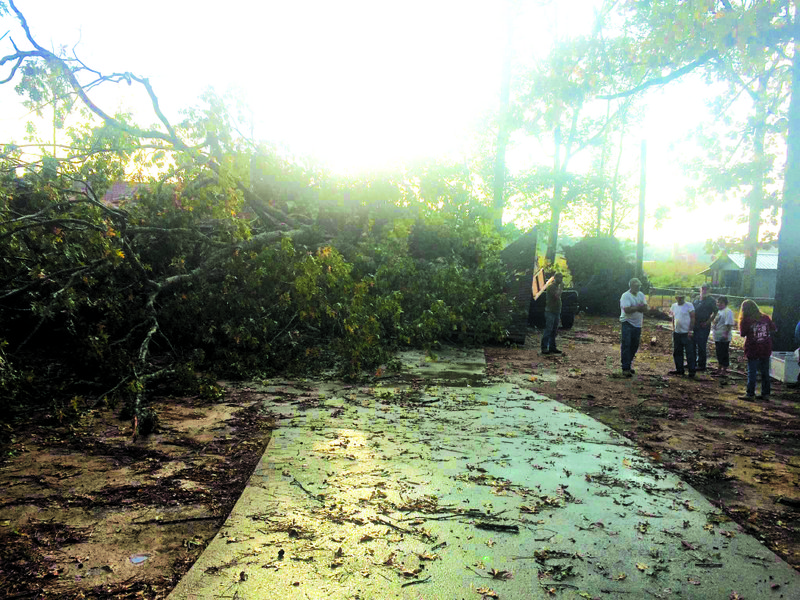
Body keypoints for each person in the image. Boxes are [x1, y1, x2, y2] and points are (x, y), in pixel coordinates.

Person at [738, 299, 776, 400]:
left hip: (753, 348)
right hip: (766, 347)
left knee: (752, 371)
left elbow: (742, 334)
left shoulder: (746, 320)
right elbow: (774, 328)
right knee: (765, 371)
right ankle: (766, 393)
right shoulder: (765, 317)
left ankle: (750, 394)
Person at [619, 277, 647, 377]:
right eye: (636, 286)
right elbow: (627, 310)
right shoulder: (625, 296)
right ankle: (625, 368)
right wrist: (638, 307)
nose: (638, 288)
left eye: (639, 286)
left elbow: (645, 308)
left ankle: (628, 364)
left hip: (638, 324)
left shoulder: (641, 295)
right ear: (631, 286)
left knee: (634, 345)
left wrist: (635, 308)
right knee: (626, 344)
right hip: (627, 322)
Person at [669, 292, 696, 377]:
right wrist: (673, 327)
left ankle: (692, 371)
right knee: (677, 352)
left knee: (689, 352)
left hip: (686, 332)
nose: (680, 299)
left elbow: (693, 317)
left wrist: (691, 330)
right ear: (676, 298)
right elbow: (673, 317)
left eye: (682, 297)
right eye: (678, 297)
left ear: (684, 298)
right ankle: (679, 369)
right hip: (677, 332)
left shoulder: (689, 305)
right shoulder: (674, 306)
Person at [692, 283, 717, 372]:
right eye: (703, 288)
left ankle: (701, 365)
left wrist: (707, 322)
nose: (704, 290)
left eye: (706, 289)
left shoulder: (711, 300)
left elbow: (715, 312)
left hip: (704, 325)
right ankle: (692, 362)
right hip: (694, 324)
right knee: (692, 344)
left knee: (701, 345)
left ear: (709, 290)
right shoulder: (696, 298)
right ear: (700, 289)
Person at [541, 272, 564, 355]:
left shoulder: (557, 287)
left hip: (556, 312)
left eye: (561, 278)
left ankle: (552, 347)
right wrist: (561, 288)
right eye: (559, 278)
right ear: (555, 278)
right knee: (548, 330)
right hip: (550, 312)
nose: (561, 280)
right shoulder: (551, 287)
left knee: (554, 331)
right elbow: (556, 296)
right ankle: (544, 347)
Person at [712, 295, 735, 375]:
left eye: (721, 303)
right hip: (717, 336)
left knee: (724, 353)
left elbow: (729, 324)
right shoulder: (719, 311)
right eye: (718, 302)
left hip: (723, 336)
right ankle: (719, 368)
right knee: (719, 352)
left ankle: (724, 369)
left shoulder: (727, 311)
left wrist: (725, 334)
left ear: (725, 303)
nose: (719, 304)